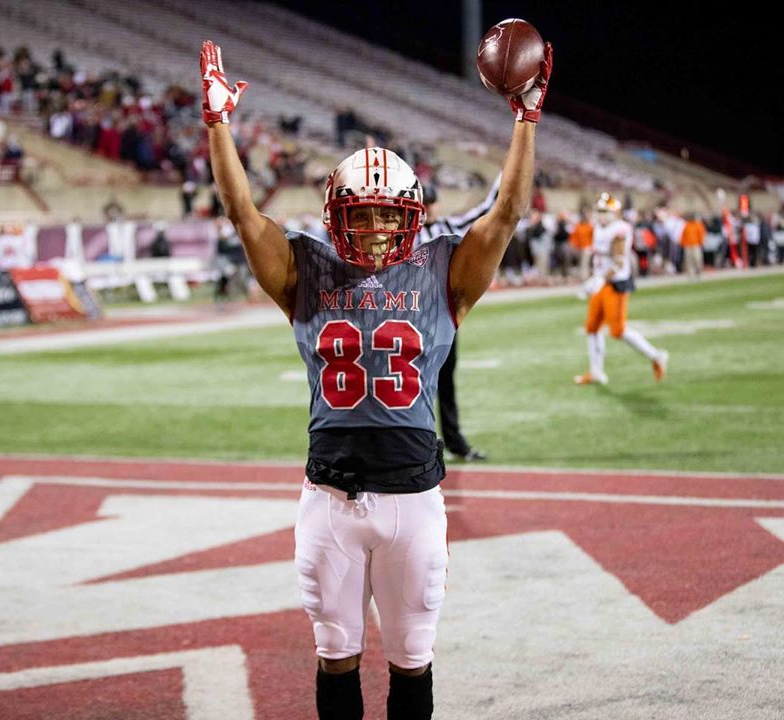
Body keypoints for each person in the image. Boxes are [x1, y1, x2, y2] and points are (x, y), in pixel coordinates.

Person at [201, 37, 551, 720]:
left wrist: (526, 119)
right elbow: (243, 212)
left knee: (412, 661)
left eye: (389, 213)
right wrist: (218, 127)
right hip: (329, 495)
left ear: (411, 215)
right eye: (362, 214)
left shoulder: (443, 269)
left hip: (414, 497)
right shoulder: (304, 269)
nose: (377, 227)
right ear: (336, 213)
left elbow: (506, 212)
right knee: (334, 656)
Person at [418, 176, 502, 463]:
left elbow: (487, 208)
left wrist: (506, 174)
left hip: (442, 319)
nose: (428, 209)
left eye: (430, 203)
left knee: (445, 383)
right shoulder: (401, 235)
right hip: (410, 319)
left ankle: (454, 443)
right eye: (423, 203)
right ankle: (418, 446)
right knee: (413, 386)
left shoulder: (448, 227)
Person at [574, 192, 669, 385]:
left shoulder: (620, 229)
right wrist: (594, 279)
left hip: (614, 284)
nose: (599, 214)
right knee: (592, 327)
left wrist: (599, 279)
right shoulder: (598, 228)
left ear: (613, 213)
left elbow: (618, 261)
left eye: (603, 211)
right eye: (598, 210)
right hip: (600, 282)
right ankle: (596, 372)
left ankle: (656, 356)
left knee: (617, 330)